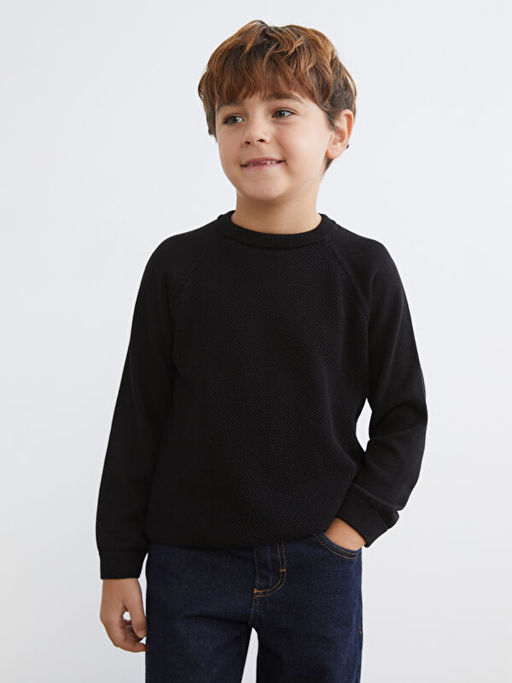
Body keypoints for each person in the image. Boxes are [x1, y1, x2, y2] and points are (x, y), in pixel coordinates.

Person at [95, 19, 428, 682]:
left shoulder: (364, 271)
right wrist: (118, 562)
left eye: (281, 110)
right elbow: (138, 419)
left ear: (338, 131)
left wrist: (348, 533)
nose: (254, 131)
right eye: (232, 116)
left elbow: (404, 417)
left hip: (319, 561)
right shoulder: (178, 267)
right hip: (189, 562)